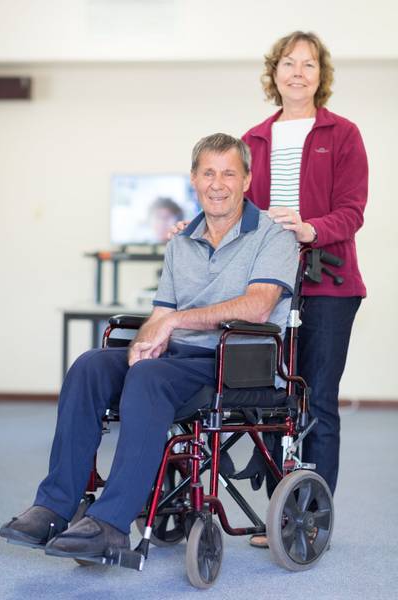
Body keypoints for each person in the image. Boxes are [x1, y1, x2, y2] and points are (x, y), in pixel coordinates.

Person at [0, 133, 298, 560]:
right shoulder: (181, 242)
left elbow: (258, 305)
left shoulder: (272, 236)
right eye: (208, 173)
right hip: (176, 359)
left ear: (247, 180)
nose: (218, 183)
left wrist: (173, 324)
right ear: (194, 180)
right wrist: (144, 342)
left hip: (232, 361)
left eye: (229, 173)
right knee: (91, 366)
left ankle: (111, 523)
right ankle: (53, 505)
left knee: (149, 375)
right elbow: (161, 315)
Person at [241, 31, 368, 547]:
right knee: (272, 400)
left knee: (316, 403)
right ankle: (277, 515)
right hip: (269, 285)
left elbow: (352, 210)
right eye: (288, 63)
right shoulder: (254, 138)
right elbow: (238, 211)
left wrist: (310, 227)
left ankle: (310, 517)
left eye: (309, 64)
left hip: (330, 283)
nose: (298, 72)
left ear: (321, 75)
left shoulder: (343, 134)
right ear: (274, 74)